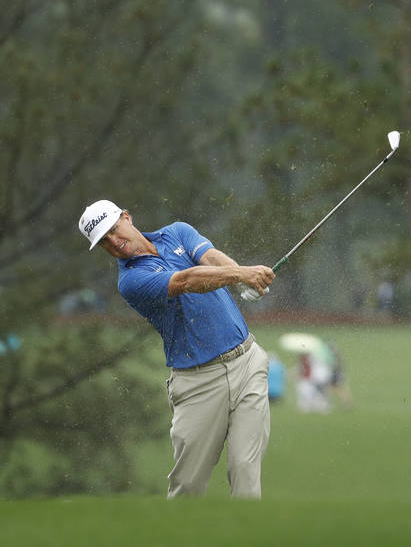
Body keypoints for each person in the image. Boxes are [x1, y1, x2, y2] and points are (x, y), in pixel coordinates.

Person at [78, 199, 275, 499]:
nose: (114, 243)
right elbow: (186, 281)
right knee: (188, 486)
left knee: (245, 471)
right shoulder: (131, 281)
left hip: (248, 363)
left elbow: (209, 258)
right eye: (104, 242)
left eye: (114, 230)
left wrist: (242, 275)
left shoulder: (177, 232)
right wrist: (241, 275)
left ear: (127, 218)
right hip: (198, 382)